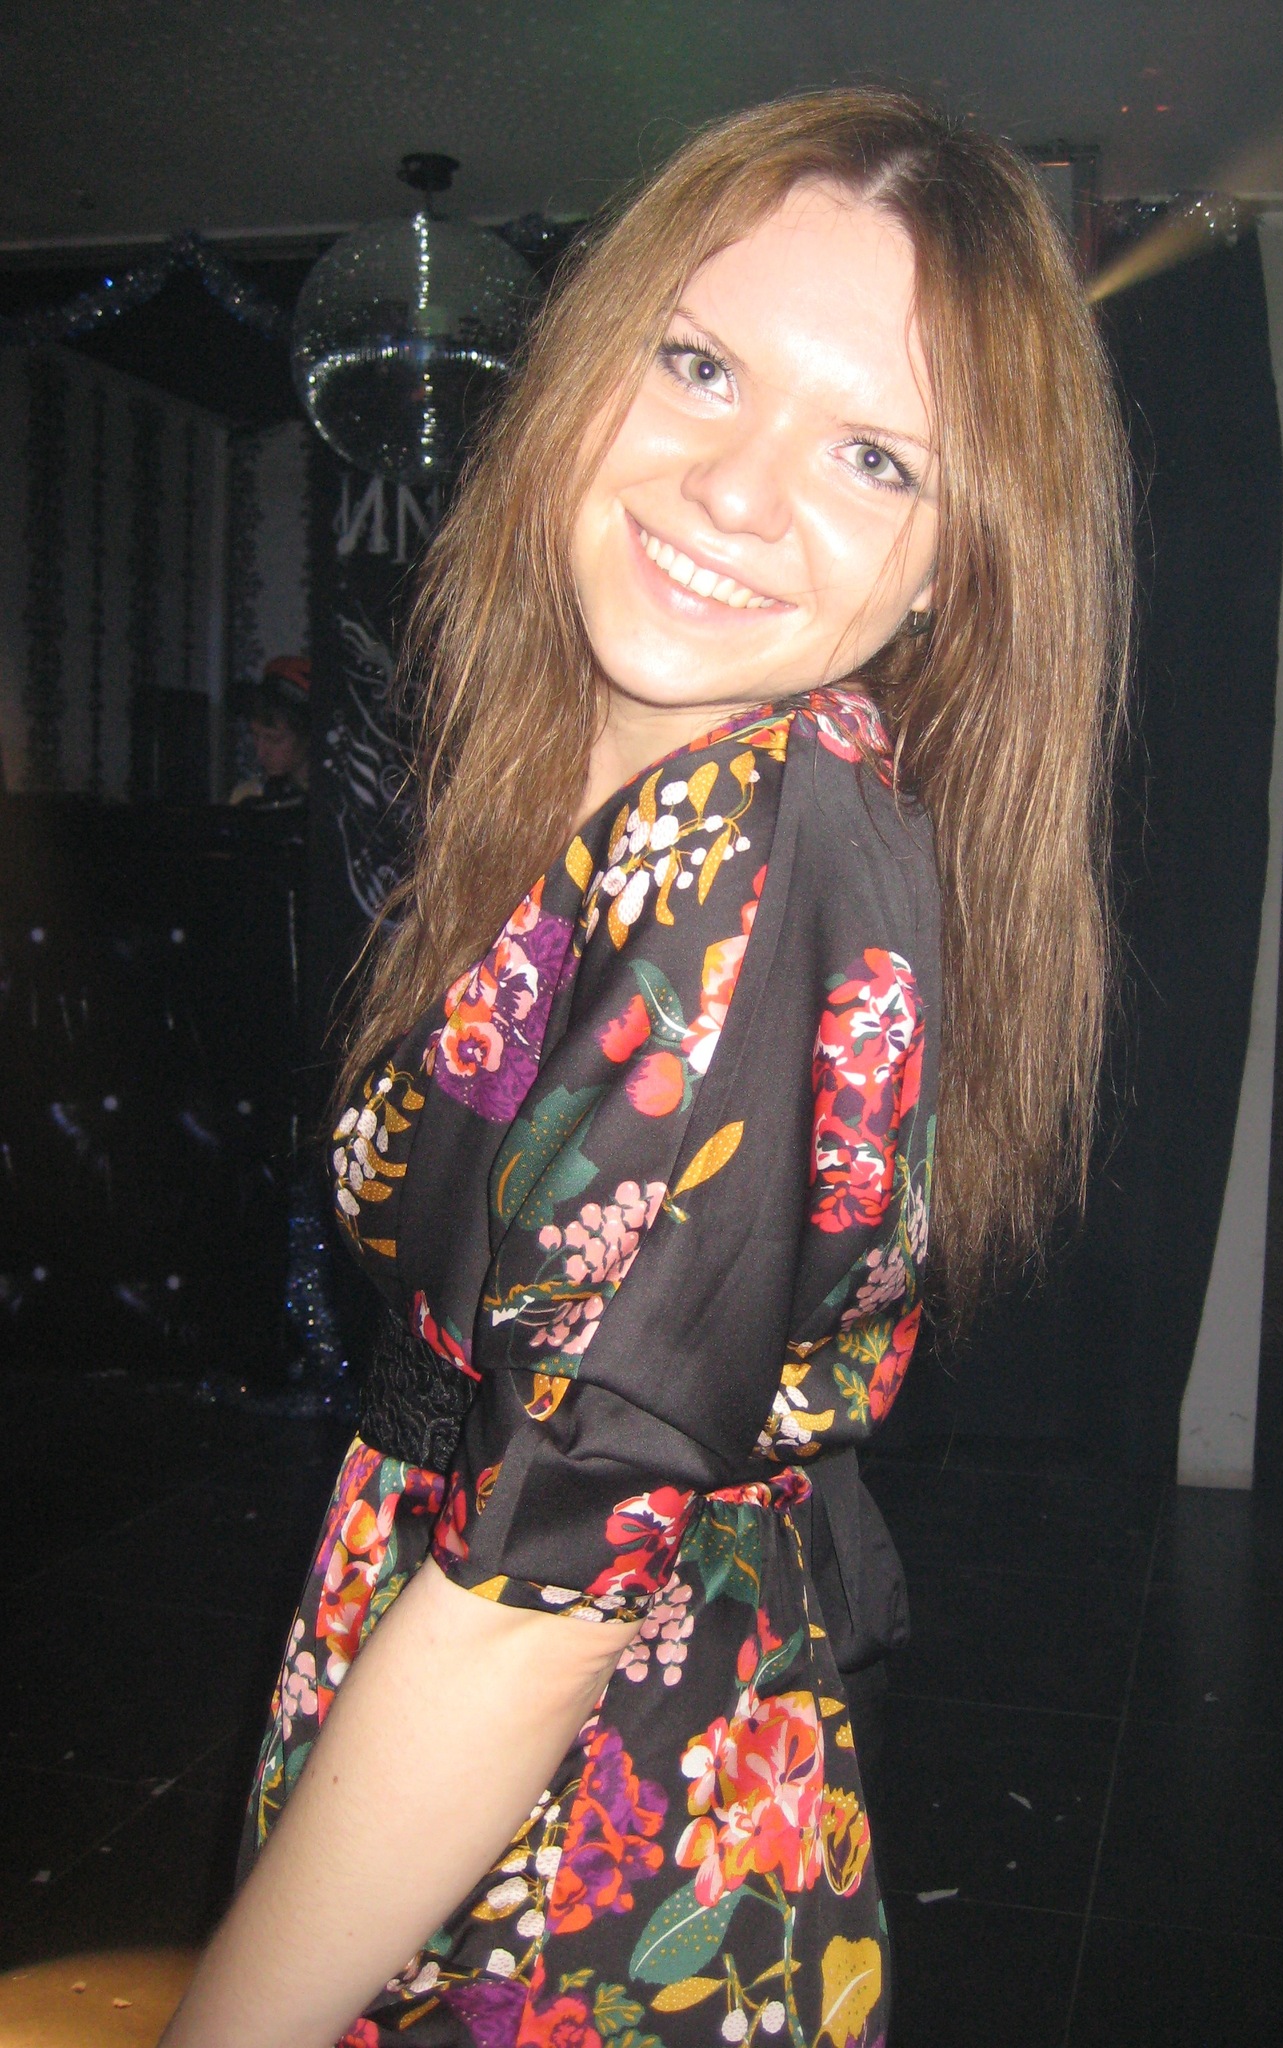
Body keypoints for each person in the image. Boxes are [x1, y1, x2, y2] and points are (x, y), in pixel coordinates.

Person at [162, 88, 1130, 2048]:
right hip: (532, 1768)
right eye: (699, 363)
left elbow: (534, 1611)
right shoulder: (661, 798)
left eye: (873, 454)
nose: (737, 489)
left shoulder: (746, 846)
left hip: (569, 1852)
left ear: (953, 566)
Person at [229, 655, 312, 809]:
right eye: (255, 736)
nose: (260, 753)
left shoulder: (339, 798)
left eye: (274, 740)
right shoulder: (247, 794)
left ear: (307, 738)